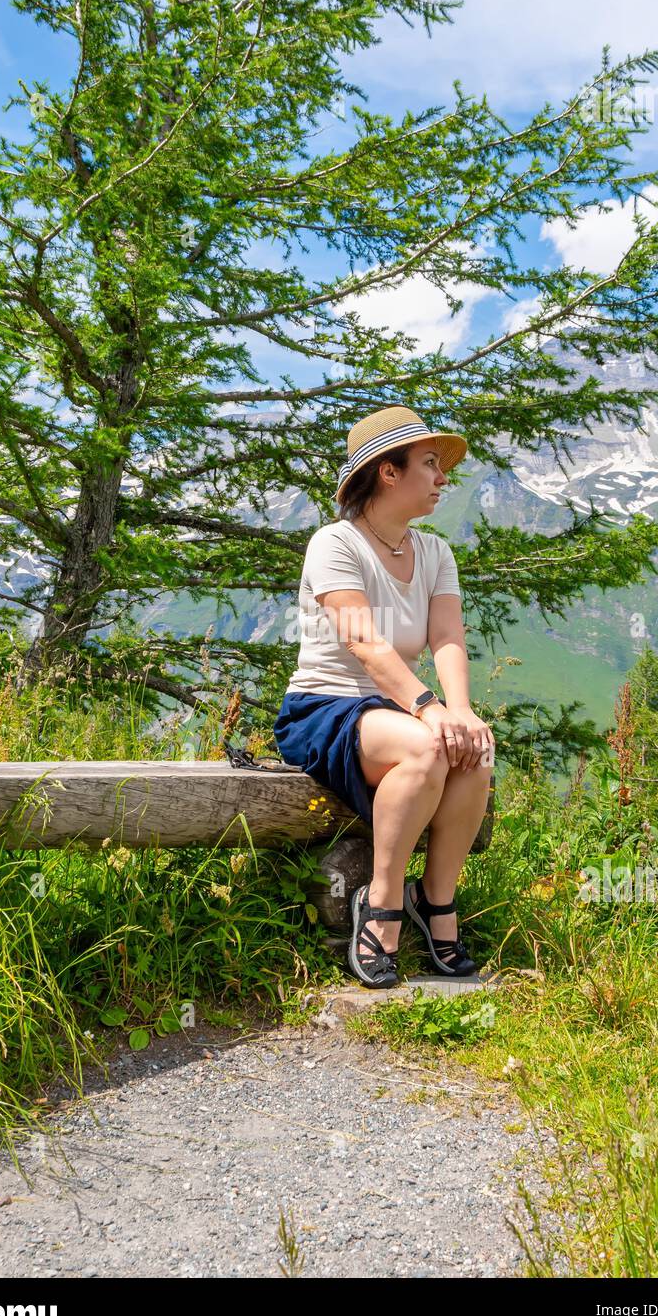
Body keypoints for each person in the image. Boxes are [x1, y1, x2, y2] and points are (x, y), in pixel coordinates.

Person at [273, 405, 495, 989]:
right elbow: (365, 644)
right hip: (325, 707)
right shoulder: (335, 543)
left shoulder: (434, 554)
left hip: (397, 711)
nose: (443, 477)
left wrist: (462, 711)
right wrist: (429, 708)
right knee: (426, 748)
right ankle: (383, 904)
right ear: (388, 472)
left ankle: (437, 902)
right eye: (429, 464)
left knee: (473, 752)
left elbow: (447, 637)